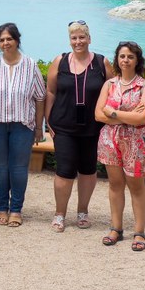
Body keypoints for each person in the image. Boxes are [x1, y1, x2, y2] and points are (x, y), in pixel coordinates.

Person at [45, 20, 114, 232]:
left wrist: (111, 119)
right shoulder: (60, 61)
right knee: (64, 171)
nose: (78, 41)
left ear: (89, 39)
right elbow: (50, 91)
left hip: (93, 128)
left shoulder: (102, 63)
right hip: (63, 126)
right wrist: (48, 120)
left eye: (82, 37)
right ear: (69, 40)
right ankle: (59, 214)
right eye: (74, 38)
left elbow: (114, 89)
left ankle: (82, 212)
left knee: (88, 170)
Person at [0, 22, 45, 227]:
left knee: (18, 168)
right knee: (0, 167)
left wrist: (38, 127)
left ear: (17, 40)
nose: (5, 43)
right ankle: (1, 208)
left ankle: (16, 209)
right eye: (1, 40)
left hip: (22, 124)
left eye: (9, 39)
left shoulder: (30, 65)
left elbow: (40, 97)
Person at [95, 41, 145, 251]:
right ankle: (116, 228)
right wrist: (128, 116)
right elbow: (97, 114)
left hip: (136, 143)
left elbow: (143, 118)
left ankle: (139, 232)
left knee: (136, 187)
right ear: (117, 59)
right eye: (122, 56)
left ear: (137, 60)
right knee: (115, 184)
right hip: (110, 141)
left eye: (130, 56)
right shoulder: (109, 84)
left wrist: (113, 112)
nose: (125, 60)